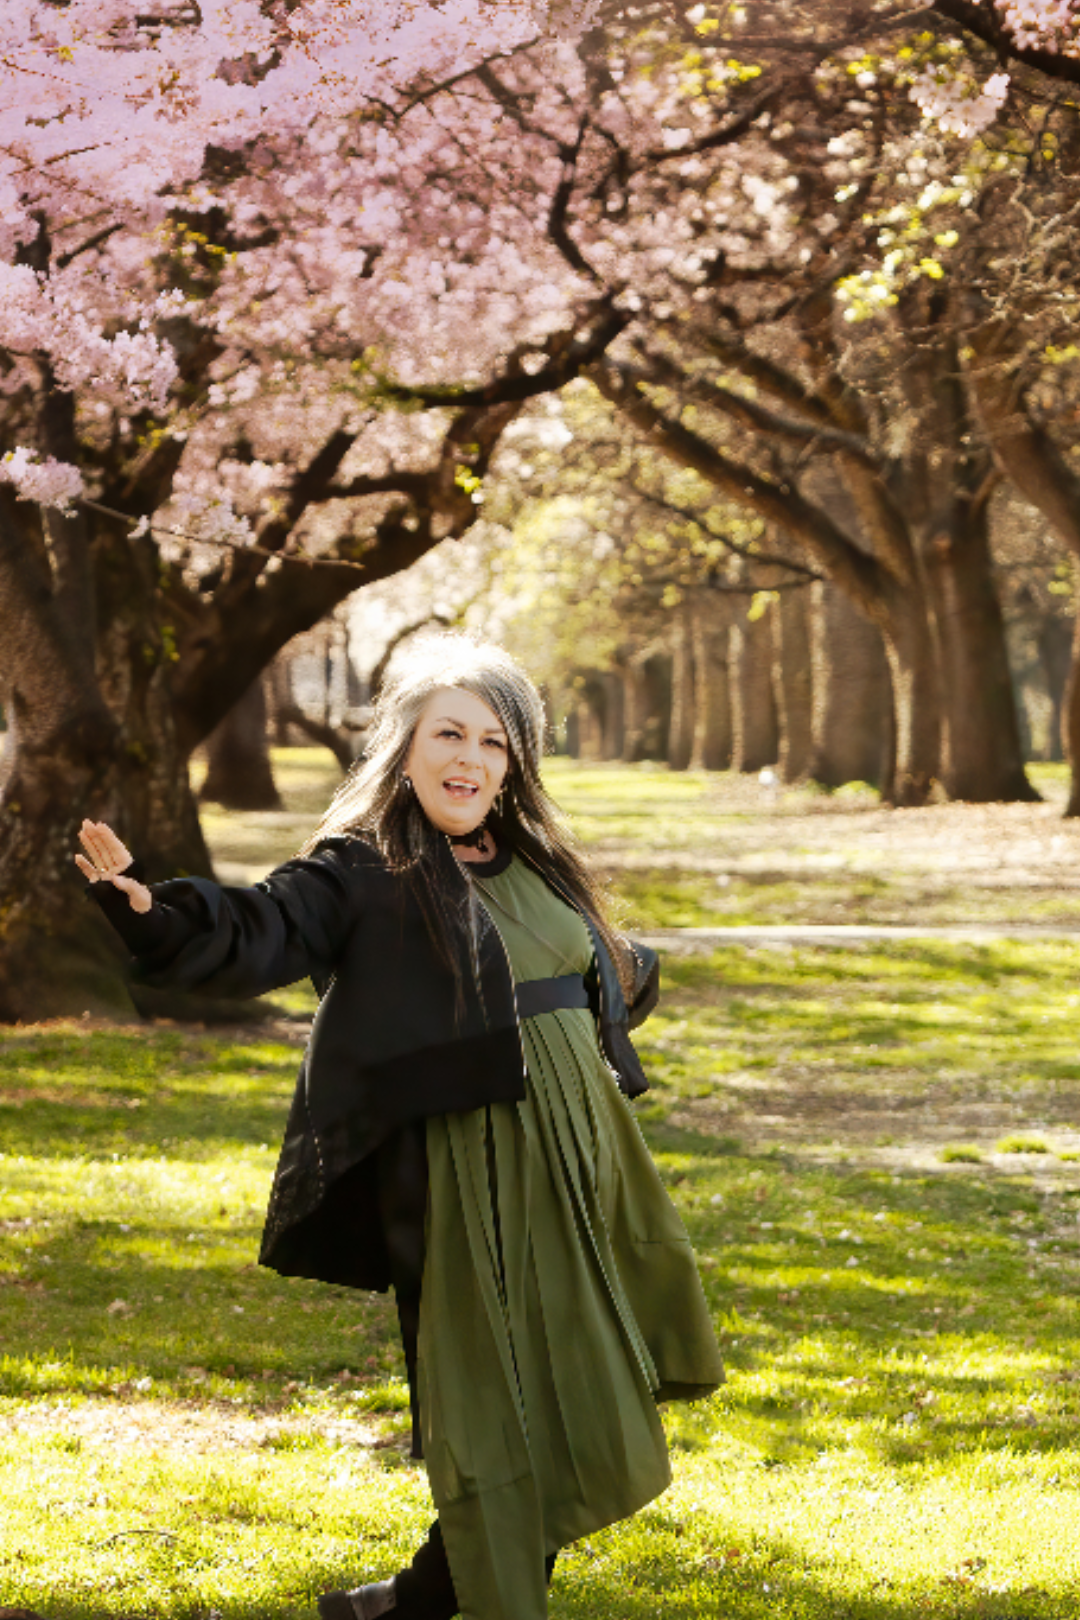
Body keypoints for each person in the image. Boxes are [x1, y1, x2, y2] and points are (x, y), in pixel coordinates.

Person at [76, 632, 724, 1620]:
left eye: (494, 744)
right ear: (404, 749)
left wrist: (619, 975)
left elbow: (587, 977)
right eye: (449, 735)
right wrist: (155, 915)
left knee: (583, 1388)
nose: (470, 759)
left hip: (583, 1165)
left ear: (515, 766)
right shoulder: (365, 869)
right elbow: (264, 928)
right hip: (468, 1171)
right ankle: (441, 1600)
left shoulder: (537, 863)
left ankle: (410, 1601)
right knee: (501, 1406)